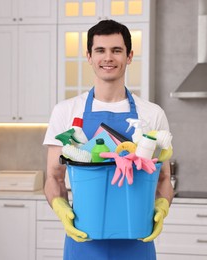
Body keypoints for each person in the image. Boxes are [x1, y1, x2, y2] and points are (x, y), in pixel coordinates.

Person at [43, 19, 173, 260]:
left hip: (136, 238)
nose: (108, 58)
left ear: (130, 56)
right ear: (89, 56)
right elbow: (53, 176)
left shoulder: (152, 113)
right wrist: (61, 209)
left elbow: (164, 177)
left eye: (116, 50)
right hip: (84, 238)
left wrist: (162, 207)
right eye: (100, 50)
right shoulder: (66, 111)